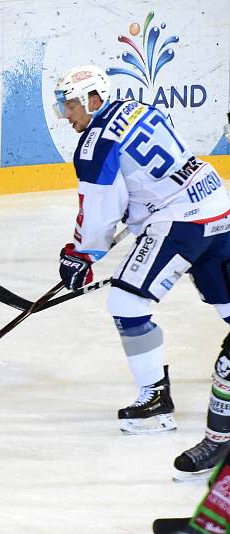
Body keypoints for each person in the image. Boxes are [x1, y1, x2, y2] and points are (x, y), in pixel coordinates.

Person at [51, 65, 230, 477]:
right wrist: (141, 213)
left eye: (72, 104)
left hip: (181, 221)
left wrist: (82, 254)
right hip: (215, 200)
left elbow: (99, 211)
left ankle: (155, 399)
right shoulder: (137, 108)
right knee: (226, 302)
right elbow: (152, 174)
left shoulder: (96, 143)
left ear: (95, 99)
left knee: (126, 303)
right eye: (63, 105)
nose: (66, 114)